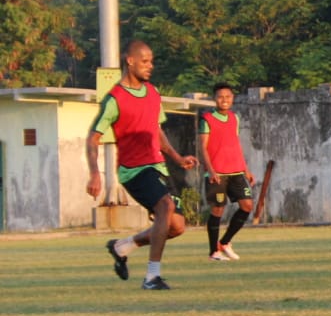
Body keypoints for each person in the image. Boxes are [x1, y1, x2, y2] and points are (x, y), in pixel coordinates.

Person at [86, 40, 199, 290]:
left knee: (177, 226)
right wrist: (95, 173)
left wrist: (177, 158)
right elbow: (93, 138)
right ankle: (152, 277)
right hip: (133, 169)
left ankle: (121, 247)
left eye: (152, 61)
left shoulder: (153, 93)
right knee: (165, 206)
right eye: (145, 61)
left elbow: (156, 130)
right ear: (130, 61)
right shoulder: (114, 99)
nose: (150, 66)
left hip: (157, 166)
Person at [197, 83, 256, 261]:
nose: (224, 100)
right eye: (221, 97)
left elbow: (234, 144)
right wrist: (211, 170)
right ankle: (213, 252)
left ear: (232, 99)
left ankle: (225, 242)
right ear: (214, 99)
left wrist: (245, 169)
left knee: (247, 206)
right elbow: (203, 147)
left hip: (236, 171)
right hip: (218, 173)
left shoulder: (234, 118)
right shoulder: (206, 119)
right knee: (217, 210)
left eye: (228, 97)